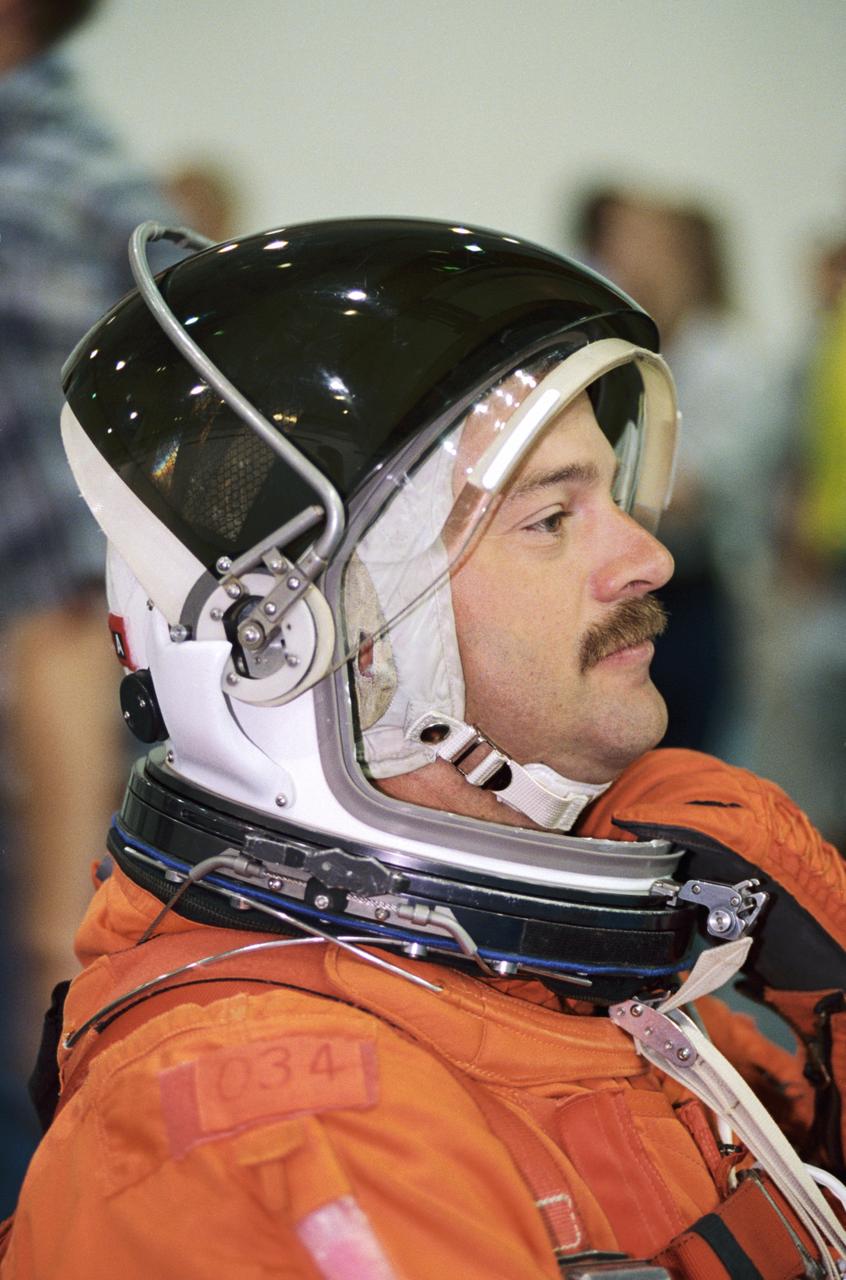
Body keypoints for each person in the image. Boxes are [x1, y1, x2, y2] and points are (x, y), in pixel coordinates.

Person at [2, 218, 845, 1279]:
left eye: (615, 495)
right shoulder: (271, 1129)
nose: (649, 556)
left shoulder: (559, 980)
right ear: (337, 641)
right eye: (551, 518)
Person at [0, 0, 182, 1216]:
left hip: (51, 781)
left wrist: (55, 914)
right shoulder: (91, 184)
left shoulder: (36, 201)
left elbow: (65, 592)